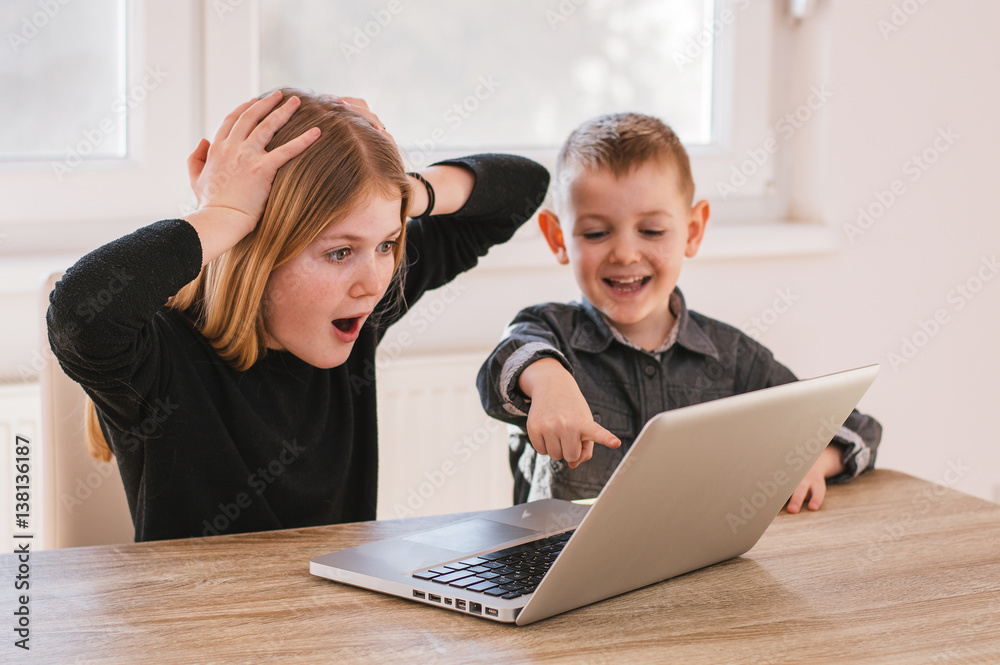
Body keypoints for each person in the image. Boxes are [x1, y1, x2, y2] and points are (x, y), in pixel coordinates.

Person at [47, 88, 549, 542]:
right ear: (257, 249)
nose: (375, 284)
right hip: (199, 636)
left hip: (330, 630)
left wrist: (402, 190)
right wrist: (224, 212)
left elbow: (525, 186)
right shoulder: (161, 358)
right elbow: (79, 315)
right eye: (339, 252)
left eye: (387, 244)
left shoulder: (356, 311)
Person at [477, 112, 882, 511]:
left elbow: (859, 429)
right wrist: (548, 381)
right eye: (596, 233)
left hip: (697, 573)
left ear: (692, 231)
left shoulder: (734, 359)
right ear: (557, 238)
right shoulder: (547, 331)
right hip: (559, 572)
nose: (625, 253)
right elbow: (506, 365)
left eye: (651, 230)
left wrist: (814, 460)